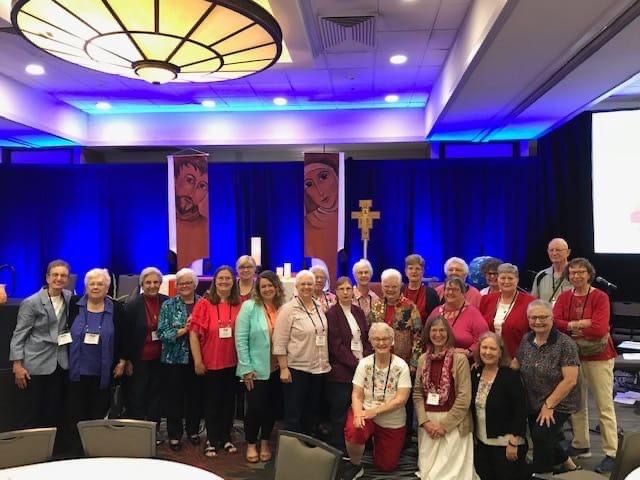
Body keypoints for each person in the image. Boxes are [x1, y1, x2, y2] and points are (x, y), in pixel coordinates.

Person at [553, 258, 618, 473]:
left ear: (589, 274)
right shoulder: (564, 297)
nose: (577, 276)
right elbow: (556, 322)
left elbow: (600, 329)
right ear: (568, 276)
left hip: (600, 356)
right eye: (572, 273)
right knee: (576, 402)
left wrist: (572, 327)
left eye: (581, 272)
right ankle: (581, 444)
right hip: (574, 356)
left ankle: (612, 452)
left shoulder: (600, 297)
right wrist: (581, 324)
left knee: (604, 405)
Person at [514, 299, 581, 475]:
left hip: (560, 401)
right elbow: (517, 364)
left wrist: (549, 405)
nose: (538, 321)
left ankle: (542, 474)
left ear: (552, 318)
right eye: (533, 317)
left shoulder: (565, 344)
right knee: (544, 435)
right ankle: (569, 465)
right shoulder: (527, 339)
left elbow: (570, 380)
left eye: (543, 317)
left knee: (540, 436)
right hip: (533, 398)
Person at [342, 323, 412, 480]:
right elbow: (357, 394)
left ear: (392, 341)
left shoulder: (401, 366)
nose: (381, 343)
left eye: (386, 339)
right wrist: (359, 413)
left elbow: (401, 400)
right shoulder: (364, 363)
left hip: (392, 419)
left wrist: (374, 411)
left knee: (386, 466)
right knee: (355, 429)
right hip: (366, 412)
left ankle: (376, 444)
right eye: (377, 339)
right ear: (371, 342)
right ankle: (355, 464)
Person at [68, 268, 128, 451]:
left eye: (100, 284)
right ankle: (76, 450)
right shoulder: (73, 305)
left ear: (107, 287)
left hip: (103, 371)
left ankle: (96, 450)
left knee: (98, 412)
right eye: (92, 284)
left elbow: (124, 336)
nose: (95, 287)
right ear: (86, 286)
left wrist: (123, 360)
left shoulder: (116, 308)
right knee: (76, 413)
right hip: (75, 371)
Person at [9, 260, 72, 433]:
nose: (59, 279)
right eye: (55, 275)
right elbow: (19, 333)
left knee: (52, 412)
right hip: (35, 364)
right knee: (31, 412)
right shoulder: (32, 302)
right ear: (47, 277)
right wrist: (17, 364)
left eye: (63, 275)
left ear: (67, 279)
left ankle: (49, 453)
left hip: (59, 364)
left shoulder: (69, 297)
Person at [413, 316, 476, 480]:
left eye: (442, 330)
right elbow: (418, 393)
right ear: (428, 333)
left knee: (450, 475)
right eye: (434, 330)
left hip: (454, 422)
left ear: (448, 333)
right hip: (428, 422)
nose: (438, 334)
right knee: (429, 473)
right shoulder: (422, 360)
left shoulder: (459, 359)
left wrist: (444, 426)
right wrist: (425, 422)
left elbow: (464, 397)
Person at [189, 265, 241, 458]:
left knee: (229, 402)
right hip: (210, 362)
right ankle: (211, 439)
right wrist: (197, 361)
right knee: (211, 402)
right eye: (221, 279)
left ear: (233, 281)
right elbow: (193, 334)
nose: (224, 282)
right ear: (214, 281)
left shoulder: (239, 304)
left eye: (228, 278)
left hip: (232, 363)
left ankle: (226, 437)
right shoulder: (204, 303)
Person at [235, 270, 286, 463]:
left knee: (271, 408)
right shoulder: (249, 307)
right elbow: (240, 339)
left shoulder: (282, 306)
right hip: (255, 370)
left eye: (270, 285)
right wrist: (246, 368)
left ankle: (265, 441)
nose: (267, 289)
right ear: (258, 288)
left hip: (277, 368)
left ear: (277, 287)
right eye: (263, 286)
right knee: (255, 408)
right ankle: (250, 443)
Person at [272, 270, 331, 435]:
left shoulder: (319, 306)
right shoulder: (288, 309)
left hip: (318, 368)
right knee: (294, 413)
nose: (307, 287)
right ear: (296, 286)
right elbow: (279, 341)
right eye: (303, 284)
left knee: (311, 412)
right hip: (296, 369)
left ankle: (306, 446)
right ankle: (291, 450)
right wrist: (283, 368)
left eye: (310, 284)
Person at [157, 268, 203, 451]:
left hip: (197, 358)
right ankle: (174, 435)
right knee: (174, 399)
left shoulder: (203, 303)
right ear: (176, 285)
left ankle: (193, 431)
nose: (184, 286)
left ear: (194, 284)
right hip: (173, 360)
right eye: (181, 283)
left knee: (195, 397)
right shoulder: (168, 305)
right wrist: (183, 331)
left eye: (188, 282)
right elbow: (161, 333)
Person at [471, 332, 528, 480]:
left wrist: (514, 442)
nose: (487, 352)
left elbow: (520, 410)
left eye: (492, 349)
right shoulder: (475, 372)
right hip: (482, 443)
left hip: (506, 444)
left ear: (501, 352)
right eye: (484, 348)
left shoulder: (510, 376)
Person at [325, 276, 373, 452]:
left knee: (361, 409)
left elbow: (365, 338)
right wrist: (356, 364)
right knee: (340, 412)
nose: (345, 292)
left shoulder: (358, 311)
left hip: (362, 367)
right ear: (336, 292)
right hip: (341, 372)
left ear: (353, 290)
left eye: (348, 289)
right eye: (341, 289)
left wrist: (366, 361)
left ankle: (359, 444)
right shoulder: (331, 314)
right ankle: (338, 449)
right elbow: (336, 346)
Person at [124, 267, 168, 444]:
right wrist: (126, 359)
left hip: (161, 358)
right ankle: (138, 431)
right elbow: (126, 335)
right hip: (139, 359)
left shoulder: (167, 302)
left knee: (156, 396)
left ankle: (154, 429)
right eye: (148, 282)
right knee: (138, 395)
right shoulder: (132, 305)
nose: (152, 285)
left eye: (156, 282)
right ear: (142, 284)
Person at [369, 268, 422, 370]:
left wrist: (414, 363)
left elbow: (418, 337)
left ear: (400, 286)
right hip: (379, 362)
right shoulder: (376, 306)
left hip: (403, 364)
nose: (390, 290)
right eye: (386, 286)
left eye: (394, 287)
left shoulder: (410, 307)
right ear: (381, 286)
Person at [479, 263, 534, 358]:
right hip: (488, 355)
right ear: (498, 279)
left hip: (516, 357)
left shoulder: (530, 302)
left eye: (510, 278)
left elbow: (533, 334)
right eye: (503, 278)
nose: (506, 281)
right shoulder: (486, 300)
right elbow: (479, 329)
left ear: (517, 280)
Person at [428, 276, 488, 358]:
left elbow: (484, 339)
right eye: (448, 289)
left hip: (462, 361)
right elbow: (426, 337)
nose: (450, 292)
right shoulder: (436, 312)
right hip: (436, 359)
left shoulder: (473, 313)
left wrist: (468, 351)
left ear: (463, 293)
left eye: (455, 290)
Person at [304, 156, 340, 277]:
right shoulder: (309, 224)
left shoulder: (345, 222)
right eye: (309, 184)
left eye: (323, 177)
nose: (320, 191)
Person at [174, 155, 209, 267]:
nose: (193, 192)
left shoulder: (203, 225)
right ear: (175, 180)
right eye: (189, 180)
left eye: (202, 186)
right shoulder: (168, 225)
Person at [531, 238, 572, 304]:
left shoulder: (576, 275)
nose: (554, 253)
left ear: (568, 252)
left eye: (558, 250)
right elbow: (533, 303)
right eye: (551, 250)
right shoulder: (541, 276)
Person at [403, 254, 440, 325]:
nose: (414, 271)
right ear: (406, 272)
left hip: (424, 333)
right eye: (410, 268)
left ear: (423, 272)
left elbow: (435, 320)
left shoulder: (431, 294)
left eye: (417, 269)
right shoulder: (399, 291)